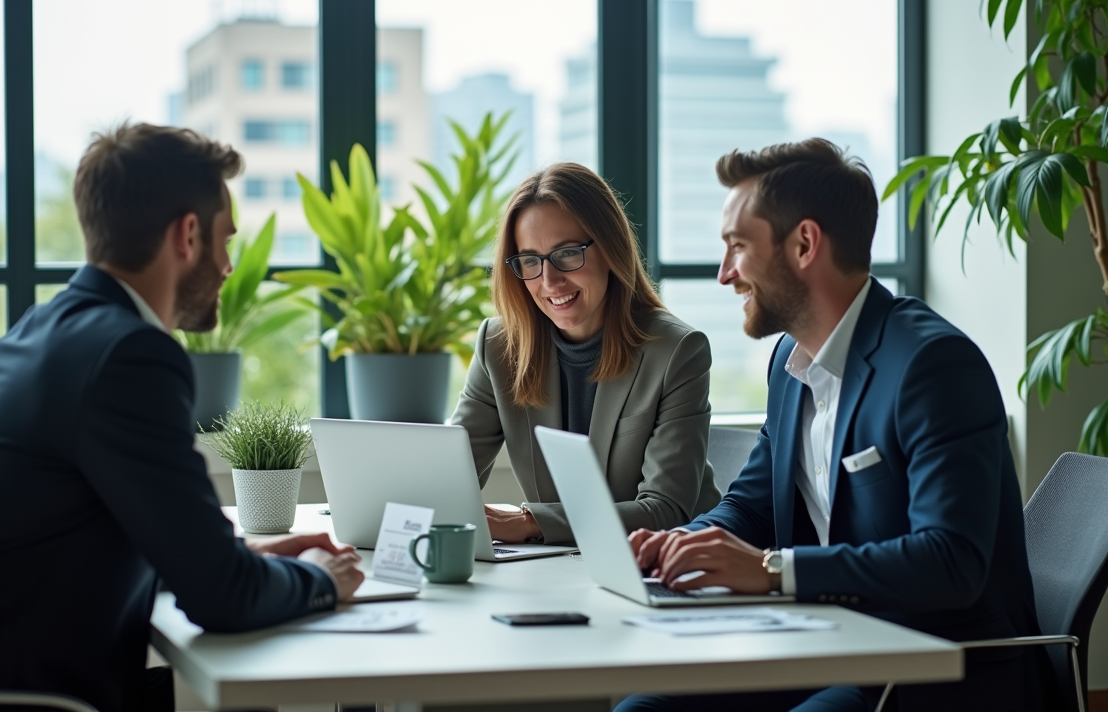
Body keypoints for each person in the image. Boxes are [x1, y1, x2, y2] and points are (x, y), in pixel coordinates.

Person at [0, 124, 364, 712]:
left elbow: (126, 545)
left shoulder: (35, 335)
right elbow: (223, 600)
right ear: (188, 234)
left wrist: (251, 557)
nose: (228, 265)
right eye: (225, 240)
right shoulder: (129, 356)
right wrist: (324, 578)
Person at [618, 139, 1055, 712]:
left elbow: (950, 560)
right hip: (827, 641)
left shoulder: (933, 365)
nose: (725, 274)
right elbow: (751, 506)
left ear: (804, 244)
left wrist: (773, 570)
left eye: (738, 247)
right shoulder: (788, 361)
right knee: (642, 707)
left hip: (936, 662)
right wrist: (686, 543)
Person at [450, 162, 719, 545]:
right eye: (530, 261)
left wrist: (530, 522)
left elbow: (664, 510)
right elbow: (449, 476)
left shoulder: (677, 351)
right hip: (562, 568)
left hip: (669, 567)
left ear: (610, 249)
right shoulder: (499, 346)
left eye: (568, 254)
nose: (549, 281)